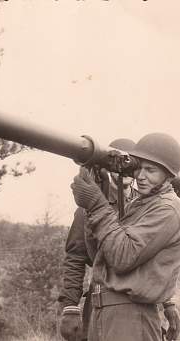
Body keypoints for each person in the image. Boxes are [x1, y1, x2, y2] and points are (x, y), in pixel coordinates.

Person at [61, 133, 180, 341]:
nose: (140, 176)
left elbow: (123, 256)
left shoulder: (166, 208)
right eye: (139, 168)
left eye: (151, 170)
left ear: (169, 175)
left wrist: (96, 205)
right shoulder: (141, 205)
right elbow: (96, 257)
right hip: (104, 310)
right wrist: (70, 305)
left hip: (129, 316)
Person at [58, 138, 139, 341]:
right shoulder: (89, 206)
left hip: (140, 302)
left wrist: (168, 304)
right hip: (102, 300)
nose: (125, 172)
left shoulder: (147, 204)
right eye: (120, 164)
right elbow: (75, 258)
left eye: (131, 165)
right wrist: (70, 306)